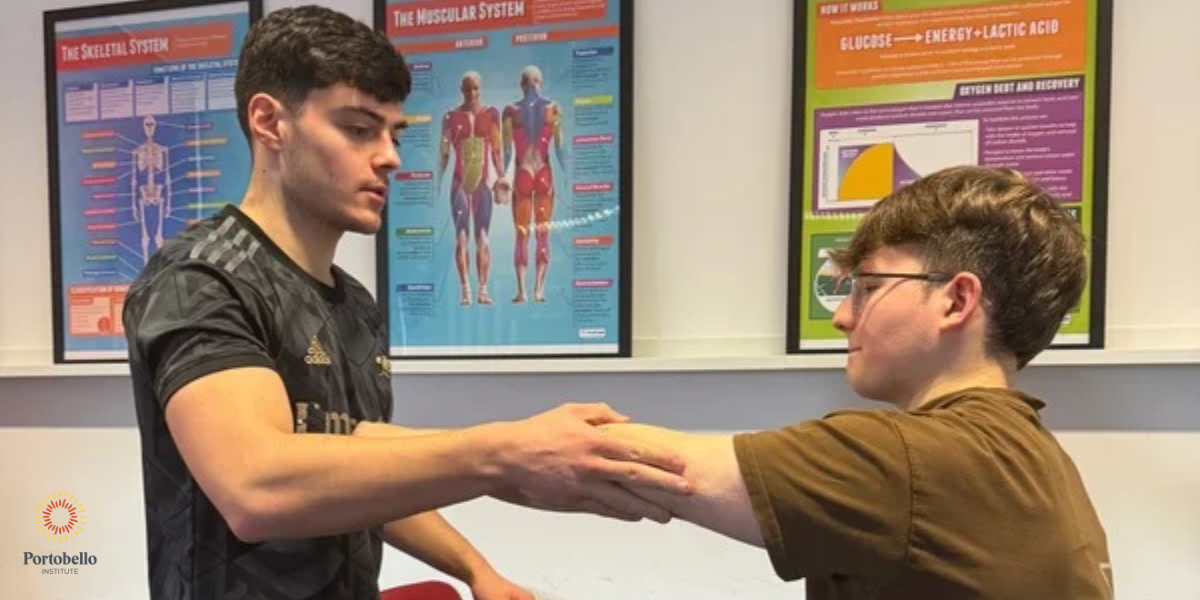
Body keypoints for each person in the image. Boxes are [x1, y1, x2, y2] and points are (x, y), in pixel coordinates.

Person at [121, 7, 691, 600]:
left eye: (394, 133)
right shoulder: (200, 279)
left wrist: (475, 568)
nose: (391, 155)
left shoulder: (354, 305)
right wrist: (502, 455)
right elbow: (256, 488)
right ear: (270, 123)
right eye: (358, 128)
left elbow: (359, 472)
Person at [604, 166, 1114, 599]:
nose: (843, 317)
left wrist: (523, 447)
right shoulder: (1033, 454)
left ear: (957, 301)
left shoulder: (913, 459)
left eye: (868, 287)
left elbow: (627, 466)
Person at [496, 65, 566, 303]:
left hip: (523, 173)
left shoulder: (510, 111)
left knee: (521, 235)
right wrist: (567, 175)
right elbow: (560, 149)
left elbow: (506, 152)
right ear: (540, 82)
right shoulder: (554, 109)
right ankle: (539, 290)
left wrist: (502, 177)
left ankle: (522, 292)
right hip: (544, 173)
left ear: (521, 84)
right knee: (543, 235)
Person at [437, 71, 502, 306]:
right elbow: (443, 152)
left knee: (483, 237)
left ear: (481, 88)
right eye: (467, 89)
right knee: (461, 238)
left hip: (483, 184)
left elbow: (496, 149)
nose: (472, 93)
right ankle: (466, 291)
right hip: (459, 185)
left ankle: (482, 291)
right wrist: (437, 181)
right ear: (461, 90)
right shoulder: (450, 116)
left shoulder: (491, 114)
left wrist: (502, 177)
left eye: (475, 88)